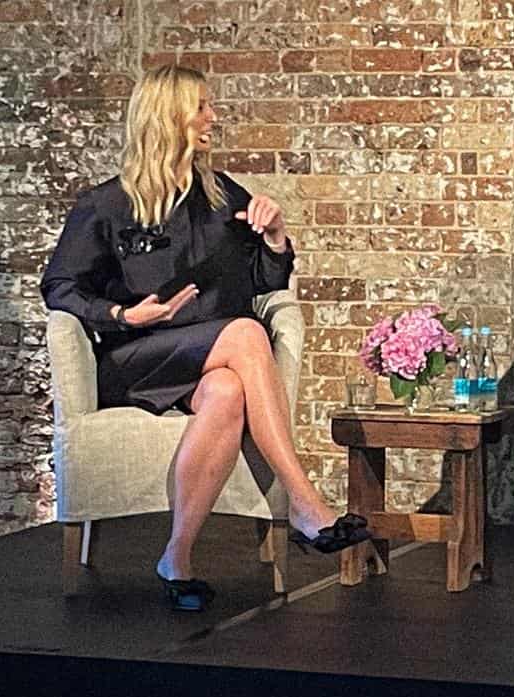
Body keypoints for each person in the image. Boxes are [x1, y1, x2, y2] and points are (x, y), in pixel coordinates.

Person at [40, 65, 369, 612]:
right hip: (137, 358)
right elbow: (59, 286)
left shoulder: (219, 195)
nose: (212, 118)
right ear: (167, 116)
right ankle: (306, 502)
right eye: (201, 108)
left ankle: (178, 557)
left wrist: (276, 236)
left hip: (208, 360)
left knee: (227, 392)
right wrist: (121, 313)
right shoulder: (105, 204)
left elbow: (264, 282)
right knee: (244, 332)